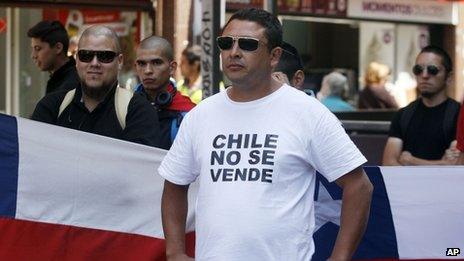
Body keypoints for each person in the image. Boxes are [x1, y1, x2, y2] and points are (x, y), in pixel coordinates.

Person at [159, 8, 373, 260]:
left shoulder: (308, 112)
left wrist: (340, 257)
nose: (234, 52)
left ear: (274, 56)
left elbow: (359, 187)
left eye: (248, 44)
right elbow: (174, 183)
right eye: (226, 43)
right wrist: (174, 252)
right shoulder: (202, 114)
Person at [31, 25, 160, 147]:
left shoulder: (139, 112)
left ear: (119, 61)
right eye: (85, 55)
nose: (94, 63)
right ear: (76, 60)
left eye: (105, 56)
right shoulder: (50, 107)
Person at [382, 46, 461, 166]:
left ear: (449, 77)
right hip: (407, 185)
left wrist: (411, 161)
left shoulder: (458, 114)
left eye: (432, 70)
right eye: (418, 69)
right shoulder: (403, 115)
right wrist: (441, 163)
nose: (424, 75)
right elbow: (388, 163)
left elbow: (456, 165)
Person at [134, 36, 195, 150]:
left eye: (156, 63)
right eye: (142, 63)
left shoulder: (188, 114)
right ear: (135, 67)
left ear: (172, 68)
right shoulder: (125, 108)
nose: (148, 70)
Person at [28, 20, 80, 94]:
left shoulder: (71, 84)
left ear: (58, 48)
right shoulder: (59, 79)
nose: (33, 55)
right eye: (33, 49)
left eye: (37, 49)